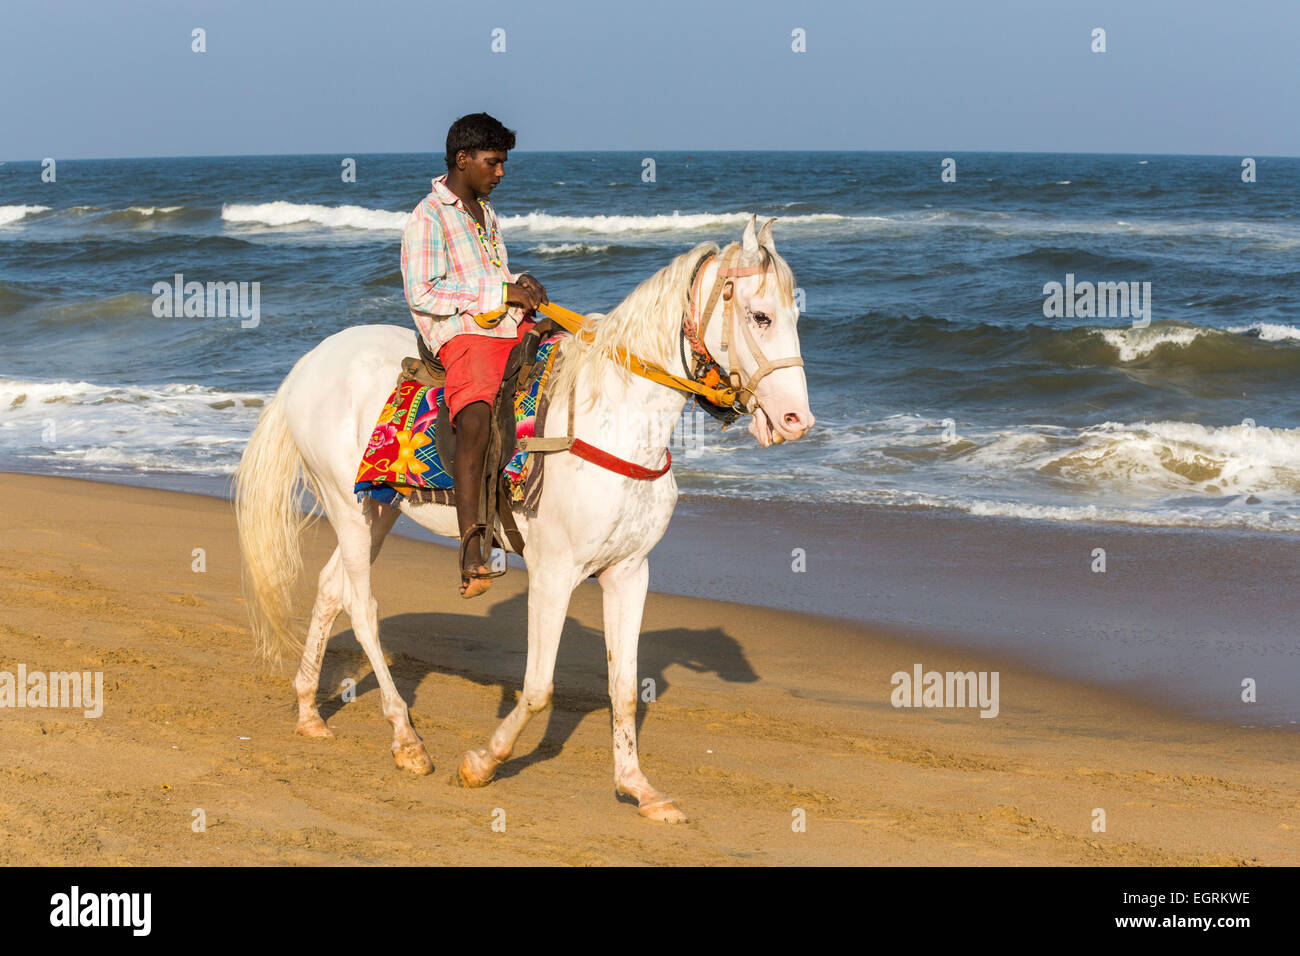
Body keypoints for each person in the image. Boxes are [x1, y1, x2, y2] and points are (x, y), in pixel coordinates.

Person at [401, 112, 548, 598]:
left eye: (503, 162)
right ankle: (472, 548)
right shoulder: (428, 216)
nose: (501, 171)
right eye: (494, 162)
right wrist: (500, 293)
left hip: (500, 324)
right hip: (458, 332)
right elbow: (424, 292)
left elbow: (491, 272)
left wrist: (518, 282)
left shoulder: (485, 213)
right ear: (463, 160)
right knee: (478, 414)